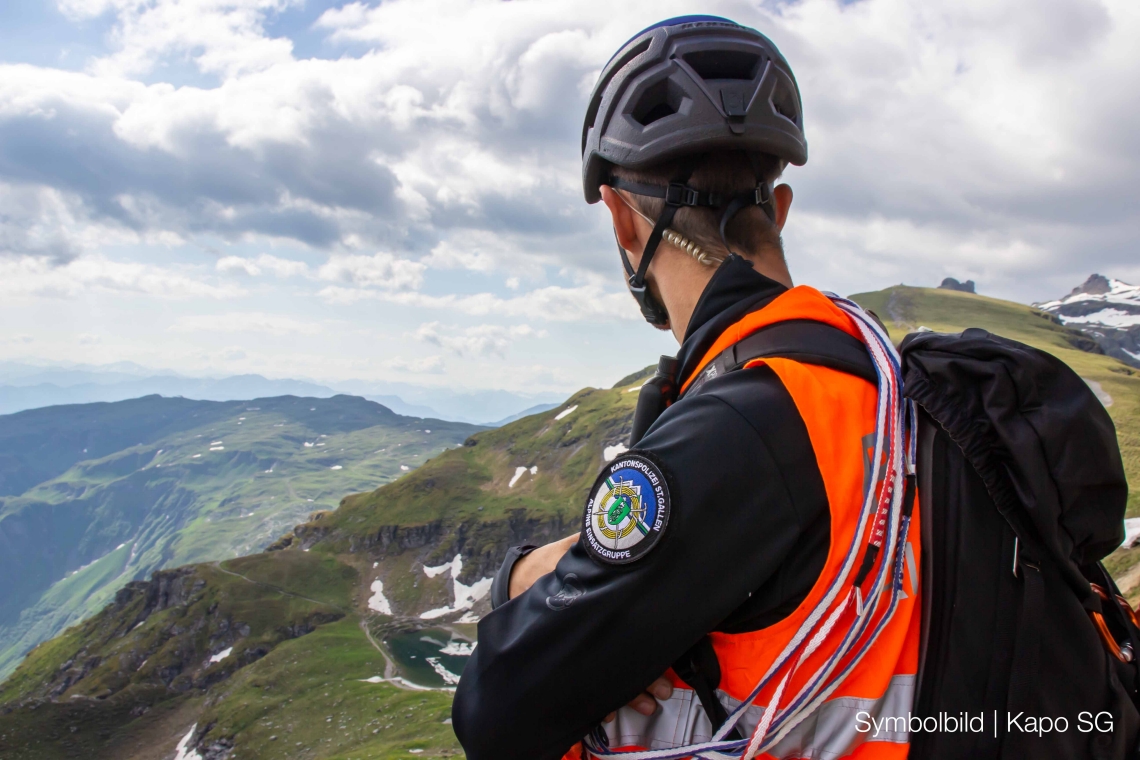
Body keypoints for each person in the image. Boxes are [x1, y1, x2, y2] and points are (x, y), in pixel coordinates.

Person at [453, 16, 922, 760]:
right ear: (782, 210)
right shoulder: (880, 376)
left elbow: (490, 710)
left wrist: (520, 580)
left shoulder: (744, 424)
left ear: (621, 221)